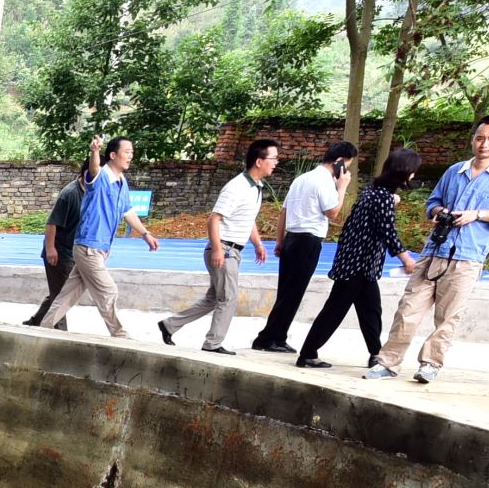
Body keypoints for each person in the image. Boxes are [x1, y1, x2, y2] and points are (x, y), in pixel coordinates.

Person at [375, 115, 489, 383]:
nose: (484, 144)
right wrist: (438, 212)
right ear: (473, 139)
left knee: (447, 317)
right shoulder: (455, 171)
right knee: (408, 309)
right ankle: (388, 363)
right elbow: (432, 202)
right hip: (434, 251)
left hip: (468, 257)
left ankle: (430, 364)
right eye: (480, 138)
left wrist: (477, 214)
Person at [296, 147, 421, 370]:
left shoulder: (373, 192)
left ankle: (376, 354)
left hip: (361, 265)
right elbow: (387, 231)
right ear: (405, 172)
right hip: (357, 265)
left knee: (371, 311)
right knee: (334, 311)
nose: (414, 176)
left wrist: (392, 201)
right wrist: (406, 259)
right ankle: (307, 353)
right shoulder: (381, 198)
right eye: (413, 172)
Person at [159, 137, 280, 353]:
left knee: (214, 298)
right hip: (224, 250)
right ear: (259, 161)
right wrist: (217, 249)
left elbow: (247, 218)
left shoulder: (256, 187)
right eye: (274, 158)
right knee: (229, 298)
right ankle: (213, 344)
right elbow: (214, 219)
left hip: (232, 250)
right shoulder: (237, 187)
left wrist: (258, 244)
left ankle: (170, 325)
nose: (276, 162)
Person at [36, 136, 160, 337]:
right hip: (88, 247)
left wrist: (145, 234)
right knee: (108, 290)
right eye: (127, 151)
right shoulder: (100, 176)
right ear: (113, 155)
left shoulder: (122, 182)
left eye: (132, 152)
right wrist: (94, 151)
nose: (131, 155)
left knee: (68, 294)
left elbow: (127, 211)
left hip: (102, 249)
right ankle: (119, 333)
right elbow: (94, 169)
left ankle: (44, 327)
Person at [252, 140, 357, 353]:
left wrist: (280, 240)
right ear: (339, 162)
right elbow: (333, 212)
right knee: (293, 293)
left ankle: (277, 336)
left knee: (287, 291)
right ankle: (267, 338)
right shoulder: (325, 181)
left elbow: (284, 211)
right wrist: (342, 186)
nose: (347, 171)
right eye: (347, 165)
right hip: (307, 241)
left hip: (292, 238)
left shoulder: (302, 178)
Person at [38, 144, 97, 319]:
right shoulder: (70, 194)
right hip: (60, 252)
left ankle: (36, 321)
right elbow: (51, 223)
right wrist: (50, 249)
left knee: (59, 293)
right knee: (61, 296)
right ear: (85, 173)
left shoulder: (95, 193)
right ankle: (57, 332)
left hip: (76, 251)